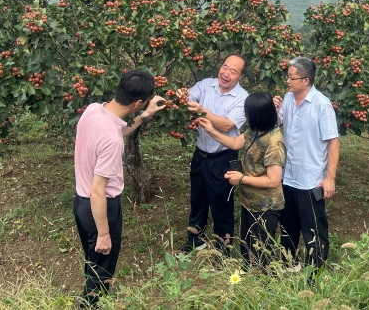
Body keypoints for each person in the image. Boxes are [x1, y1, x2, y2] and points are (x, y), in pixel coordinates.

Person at [73, 70, 166, 307]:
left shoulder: (93, 110)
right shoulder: (111, 143)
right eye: (142, 104)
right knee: (101, 271)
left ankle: (94, 298)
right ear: (137, 102)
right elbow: (98, 190)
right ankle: (91, 304)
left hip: (81, 205)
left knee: (93, 262)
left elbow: (120, 129)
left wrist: (146, 114)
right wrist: (104, 233)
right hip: (100, 207)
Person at [197, 92, 286, 270]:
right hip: (249, 202)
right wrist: (211, 130)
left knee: (263, 253)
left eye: (247, 113)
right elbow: (235, 143)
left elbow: (273, 181)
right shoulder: (255, 131)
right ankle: (247, 280)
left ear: (257, 115)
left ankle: (266, 286)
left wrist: (242, 178)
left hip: (265, 207)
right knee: (247, 246)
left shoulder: (274, 143)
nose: (244, 116)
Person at [178, 54, 249, 254]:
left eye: (233, 71)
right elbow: (187, 98)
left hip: (223, 158)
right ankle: (195, 239)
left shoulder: (243, 98)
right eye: (224, 67)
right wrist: (181, 97)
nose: (225, 74)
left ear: (241, 76)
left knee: (221, 203)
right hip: (201, 155)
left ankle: (222, 247)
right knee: (198, 198)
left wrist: (201, 110)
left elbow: (226, 125)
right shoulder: (205, 85)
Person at [273, 56, 340, 269]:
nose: (288, 81)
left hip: (310, 179)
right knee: (288, 225)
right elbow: (280, 122)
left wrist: (329, 179)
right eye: (288, 77)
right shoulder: (289, 99)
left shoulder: (322, 105)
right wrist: (276, 110)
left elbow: (333, 143)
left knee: (313, 229)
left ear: (306, 81)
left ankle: (314, 271)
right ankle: (289, 265)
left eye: (292, 78)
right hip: (288, 175)